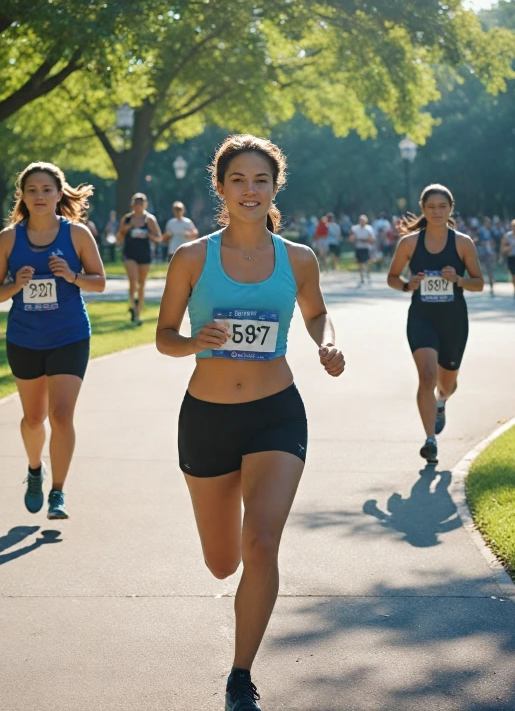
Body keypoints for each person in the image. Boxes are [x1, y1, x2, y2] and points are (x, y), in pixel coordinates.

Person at [156, 134, 345, 711]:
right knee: (223, 562)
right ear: (220, 187)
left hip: (275, 413)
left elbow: (317, 315)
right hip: (207, 418)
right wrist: (194, 342)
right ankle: (231, 575)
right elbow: (164, 338)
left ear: (274, 187)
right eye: (238, 179)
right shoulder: (191, 258)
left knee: (261, 544)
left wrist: (328, 345)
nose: (249, 189)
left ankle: (241, 675)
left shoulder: (298, 258)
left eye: (260, 179)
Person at [0, 161, 105, 519]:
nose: (39, 196)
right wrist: (14, 285)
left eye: (47, 189)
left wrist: (72, 275)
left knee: (61, 415)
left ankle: (58, 492)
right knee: (34, 418)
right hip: (24, 338)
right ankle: (35, 470)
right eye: (32, 190)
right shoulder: (9, 239)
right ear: (22, 195)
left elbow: (98, 281)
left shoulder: (78, 234)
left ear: (59, 193)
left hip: (69, 334)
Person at [387, 184, 484, 465]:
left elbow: (479, 283)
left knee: (447, 384)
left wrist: (459, 280)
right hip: (422, 317)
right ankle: (430, 441)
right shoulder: (409, 244)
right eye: (431, 207)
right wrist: (408, 286)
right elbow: (392, 277)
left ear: (450, 209)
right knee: (427, 377)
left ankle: (441, 402)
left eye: (442, 207)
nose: (437, 212)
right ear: (423, 209)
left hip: (453, 319)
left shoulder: (463, 243)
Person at [116, 193, 162, 325]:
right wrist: (125, 230)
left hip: (144, 254)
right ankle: (131, 304)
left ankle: (137, 313)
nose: (138, 205)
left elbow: (158, 237)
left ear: (145, 204)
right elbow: (118, 238)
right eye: (136, 202)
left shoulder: (149, 219)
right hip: (129, 254)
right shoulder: (127, 219)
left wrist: (148, 234)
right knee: (133, 280)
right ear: (132, 204)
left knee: (141, 284)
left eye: (141, 203)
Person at [349, 214, 376, 286]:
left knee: (368, 263)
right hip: (359, 248)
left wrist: (363, 239)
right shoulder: (355, 228)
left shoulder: (369, 228)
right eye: (361, 220)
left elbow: (372, 239)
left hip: (367, 248)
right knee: (360, 264)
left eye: (363, 221)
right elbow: (351, 238)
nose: (362, 222)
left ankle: (368, 275)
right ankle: (362, 277)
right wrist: (353, 239)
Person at [473, 216, 496, 296]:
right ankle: (480, 284)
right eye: (487, 222)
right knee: (481, 269)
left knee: (490, 269)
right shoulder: (480, 231)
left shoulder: (491, 231)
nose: (489, 224)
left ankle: (491, 285)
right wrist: (482, 243)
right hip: (481, 252)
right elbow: (476, 240)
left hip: (489, 252)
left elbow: (494, 240)